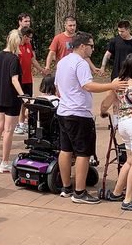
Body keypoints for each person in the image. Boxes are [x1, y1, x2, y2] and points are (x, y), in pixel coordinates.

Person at [54, 32, 126, 204]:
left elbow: (57, 86)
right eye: (91, 46)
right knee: (83, 153)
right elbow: (88, 85)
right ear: (82, 46)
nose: (93, 49)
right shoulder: (81, 63)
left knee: (65, 149)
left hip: (63, 111)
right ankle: (79, 192)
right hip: (78, 113)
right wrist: (112, 85)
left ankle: (66, 187)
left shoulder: (63, 61)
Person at [105, 55, 132, 213]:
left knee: (129, 161)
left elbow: (108, 102)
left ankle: (117, 192)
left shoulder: (118, 82)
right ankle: (128, 199)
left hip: (122, 123)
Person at [0, 30, 24, 172]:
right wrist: (23, 94)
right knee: (8, 130)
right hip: (11, 97)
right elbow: (14, 79)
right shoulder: (14, 59)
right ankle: (5, 161)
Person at [15, 16, 43, 135]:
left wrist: (42, 69)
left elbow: (32, 59)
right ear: (25, 37)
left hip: (28, 78)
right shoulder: (16, 46)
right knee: (17, 101)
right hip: (19, 78)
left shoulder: (28, 46)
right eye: (29, 38)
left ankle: (22, 123)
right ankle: (16, 124)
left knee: (26, 102)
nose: (30, 40)